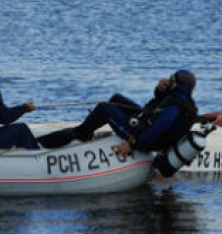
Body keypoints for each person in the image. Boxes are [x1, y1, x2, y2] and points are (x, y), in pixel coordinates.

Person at [38, 70, 200, 179]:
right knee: (116, 99)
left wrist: (131, 143)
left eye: (172, 80)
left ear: (178, 85)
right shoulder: (180, 99)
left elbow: (155, 131)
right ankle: (90, 127)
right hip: (144, 121)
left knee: (104, 108)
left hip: (140, 137)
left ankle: (81, 134)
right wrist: (159, 90)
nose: (169, 81)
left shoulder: (174, 108)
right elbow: (157, 104)